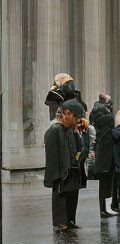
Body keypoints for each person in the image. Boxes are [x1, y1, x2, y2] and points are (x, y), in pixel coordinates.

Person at [43, 100, 86, 233]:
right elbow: (52, 154)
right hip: (61, 171)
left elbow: (80, 148)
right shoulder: (55, 130)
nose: (75, 120)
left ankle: (70, 220)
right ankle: (60, 222)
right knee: (60, 197)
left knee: (73, 195)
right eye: (74, 116)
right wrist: (57, 172)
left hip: (73, 169)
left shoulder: (72, 131)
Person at [89, 94, 116, 218]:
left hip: (104, 152)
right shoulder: (107, 119)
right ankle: (104, 209)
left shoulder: (98, 118)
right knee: (105, 182)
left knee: (105, 183)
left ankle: (105, 208)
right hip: (105, 153)